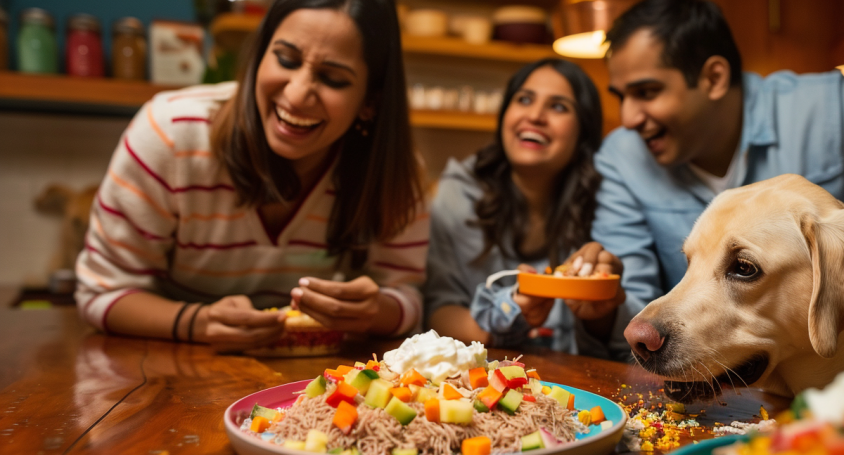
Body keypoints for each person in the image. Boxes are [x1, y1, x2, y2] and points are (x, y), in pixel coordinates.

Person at [568, 0, 844, 362]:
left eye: (647, 93)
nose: (628, 118)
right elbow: (644, 313)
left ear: (714, 78)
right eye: (620, 96)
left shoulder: (836, 113)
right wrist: (603, 312)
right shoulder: (622, 159)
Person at [75, 0, 428, 352]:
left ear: (371, 101)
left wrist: (374, 311)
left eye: (332, 79)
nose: (296, 94)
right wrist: (195, 322)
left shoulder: (393, 172)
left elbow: (408, 299)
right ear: (259, 57)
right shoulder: (168, 135)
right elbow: (102, 292)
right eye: (286, 59)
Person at [424, 58, 605, 352]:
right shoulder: (458, 192)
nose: (534, 115)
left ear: (583, 132)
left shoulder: (607, 200)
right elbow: (438, 312)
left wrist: (603, 300)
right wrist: (506, 313)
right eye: (524, 99)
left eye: (558, 106)